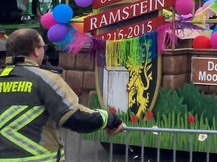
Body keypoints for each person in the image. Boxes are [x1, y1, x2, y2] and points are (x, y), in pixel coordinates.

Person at [0, 28, 125, 161]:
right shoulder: (45, 79)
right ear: (36, 50)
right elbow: (75, 118)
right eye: (43, 47)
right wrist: (110, 119)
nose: (44, 51)